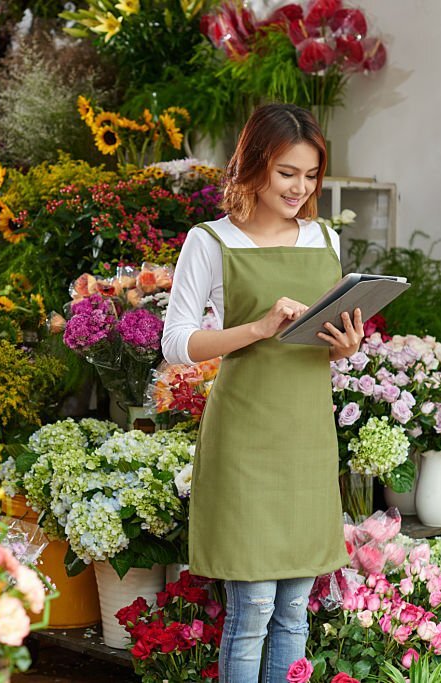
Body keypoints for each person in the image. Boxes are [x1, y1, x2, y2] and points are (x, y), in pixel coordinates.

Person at [161, 103, 364, 682]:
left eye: (310, 175)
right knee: (251, 610)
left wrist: (344, 348)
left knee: (296, 608)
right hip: (246, 440)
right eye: (286, 173)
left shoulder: (323, 238)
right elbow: (176, 342)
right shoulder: (211, 241)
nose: (300, 188)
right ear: (254, 167)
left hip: (306, 438)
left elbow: (324, 337)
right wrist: (255, 328)